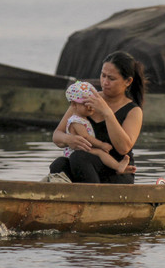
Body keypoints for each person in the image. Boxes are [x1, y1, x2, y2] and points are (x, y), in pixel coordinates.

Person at [48, 52, 145, 183]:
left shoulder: (133, 111)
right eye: (103, 75)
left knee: (79, 157)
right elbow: (57, 135)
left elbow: (123, 148)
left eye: (111, 78)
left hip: (115, 172)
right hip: (84, 167)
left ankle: (93, 200)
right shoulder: (83, 100)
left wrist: (107, 113)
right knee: (59, 164)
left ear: (128, 81)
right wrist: (69, 139)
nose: (105, 82)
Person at [62, 80, 133, 175]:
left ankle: (118, 167)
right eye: (85, 104)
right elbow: (86, 137)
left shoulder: (83, 119)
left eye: (91, 103)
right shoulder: (76, 121)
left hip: (84, 149)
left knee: (100, 153)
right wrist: (101, 144)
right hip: (77, 151)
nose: (89, 107)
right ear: (74, 105)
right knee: (100, 152)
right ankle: (117, 166)